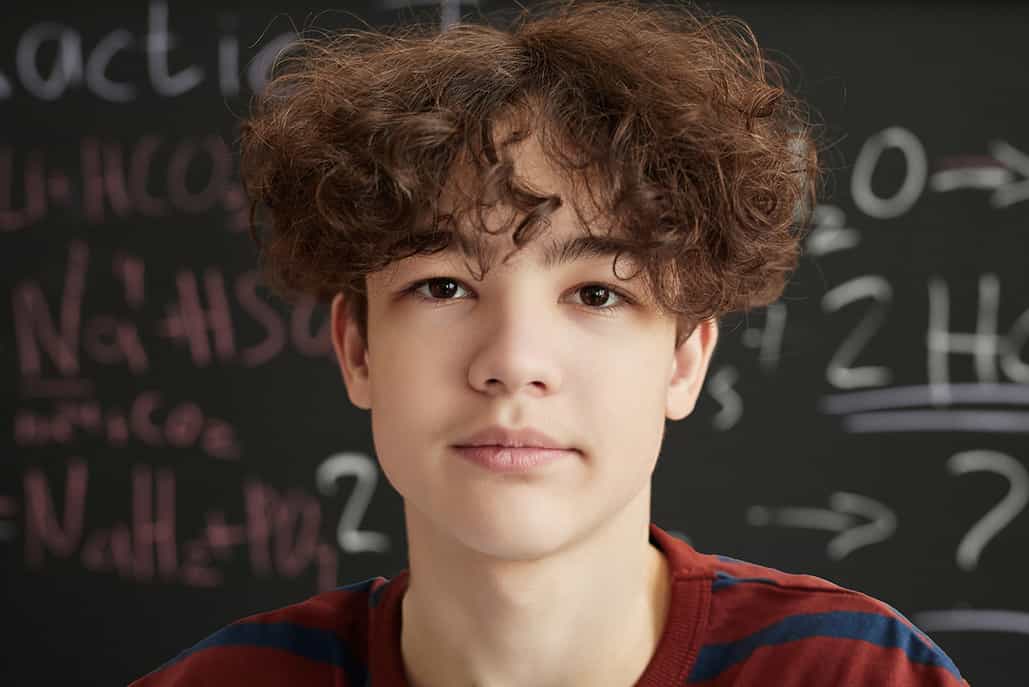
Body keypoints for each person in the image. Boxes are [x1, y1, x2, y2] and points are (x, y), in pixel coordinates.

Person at [130, 0, 969, 685]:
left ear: (685, 358)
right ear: (356, 348)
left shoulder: (855, 674)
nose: (514, 361)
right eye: (443, 286)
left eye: (597, 293)